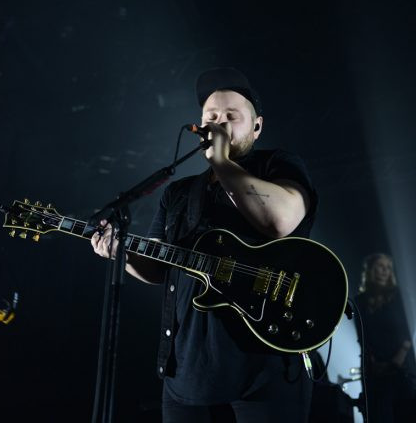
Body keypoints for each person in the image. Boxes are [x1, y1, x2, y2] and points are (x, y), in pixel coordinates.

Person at [91, 67, 318, 422]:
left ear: (257, 126)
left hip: (266, 367)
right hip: (187, 374)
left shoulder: (278, 164)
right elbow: (157, 267)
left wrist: (223, 163)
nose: (219, 124)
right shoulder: (178, 193)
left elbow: (280, 220)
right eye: (211, 117)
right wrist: (122, 254)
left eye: (231, 116)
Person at [355, 253, 416, 423]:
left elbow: (408, 330)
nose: (384, 271)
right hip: (374, 371)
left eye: (388, 268)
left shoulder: (400, 296)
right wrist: (373, 362)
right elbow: (362, 336)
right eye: (380, 267)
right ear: (369, 270)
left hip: (402, 367)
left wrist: (397, 361)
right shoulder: (359, 301)